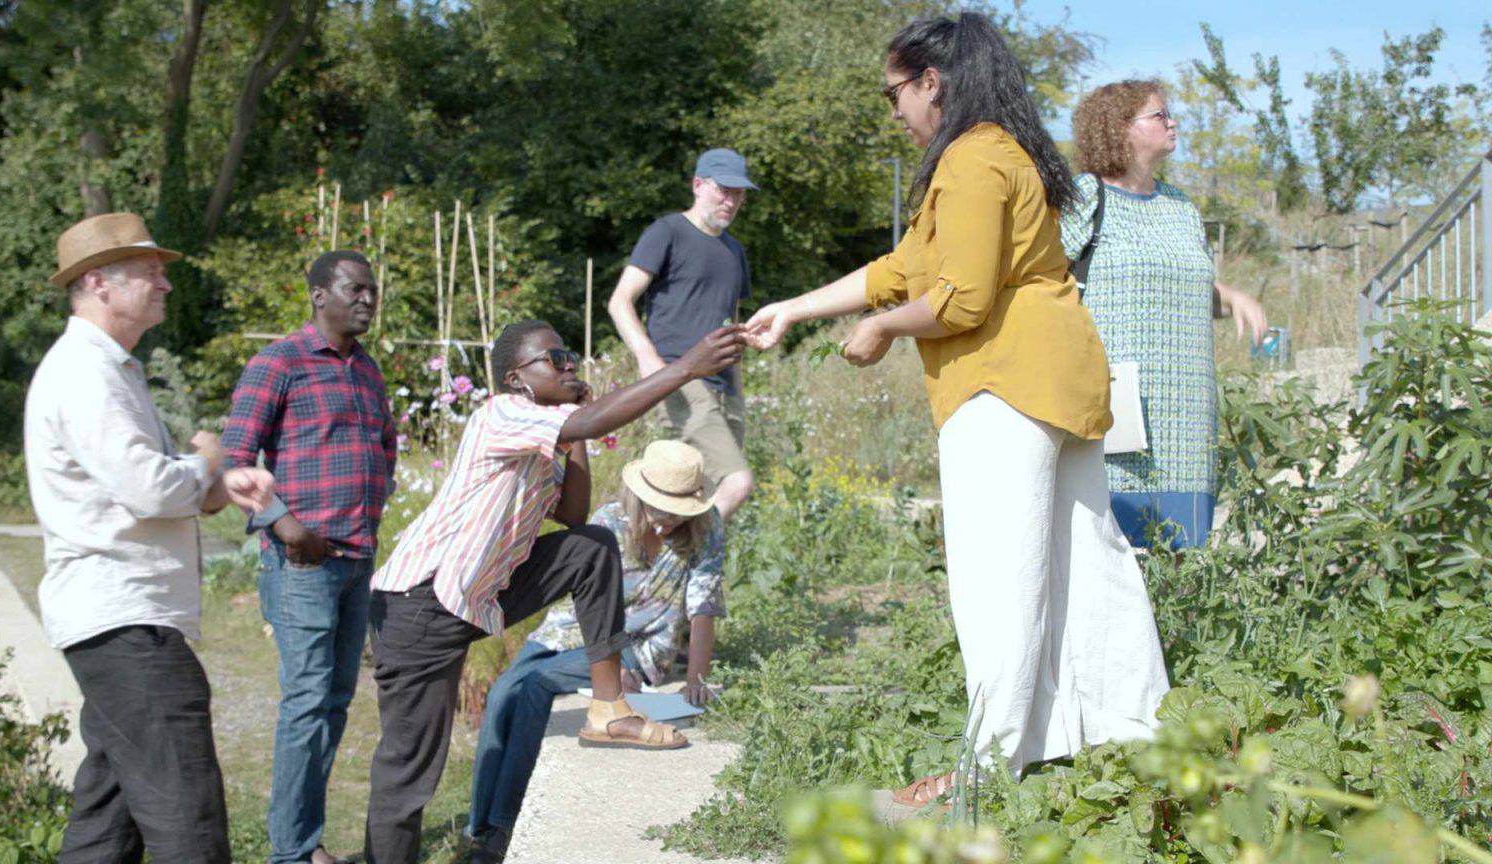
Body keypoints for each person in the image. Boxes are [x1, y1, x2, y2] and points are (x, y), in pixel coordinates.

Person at [746, 13, 1169, 801]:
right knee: (1089, 569)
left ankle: (989, 769)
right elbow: (903, 267)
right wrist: (796, 308)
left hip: (1002, 385)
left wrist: (878, 329)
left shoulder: (972, 160)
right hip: (1057, 379)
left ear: (932, 82)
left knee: (998, 580)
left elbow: (960, 301)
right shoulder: (1000, 153)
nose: (894, 111)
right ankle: (1136, 743)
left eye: (894, 94)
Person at [363, 320, 746, 864]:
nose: (571, 366)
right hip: (420, 607)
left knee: (590, 549)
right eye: (556, 358)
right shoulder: (500, 414)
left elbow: (572, 514)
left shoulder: (543, 438)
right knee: (409, 771)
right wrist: (685, 368)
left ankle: (608, 709)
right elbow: (591, 417)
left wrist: (576, 439)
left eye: (571, 357)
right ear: (518, 378)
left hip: (473, 598)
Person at [24, 212, 275, 863]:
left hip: (118, 623)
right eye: (150, 270)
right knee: (188, 822)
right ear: (99, 281)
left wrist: (220, 484)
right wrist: (209, 461)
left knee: (107, 828)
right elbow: (150, 488)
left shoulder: (108, 369)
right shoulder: (87, 373)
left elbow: (150, 488)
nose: (165, 283)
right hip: (127, 624)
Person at [465, 439, 727, 860]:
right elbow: (587, 603)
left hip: (634, 646)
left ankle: (503, 825)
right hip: (571, 632)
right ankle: (478, 825)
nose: (666, 520)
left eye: (677, 511)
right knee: (501, 693)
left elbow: (704, 603)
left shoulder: (706, 527)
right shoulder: (612, 522)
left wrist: (695, 676)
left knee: (534, 686)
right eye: (658, 508)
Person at [221, 250, 397, 864]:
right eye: (356, 289)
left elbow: (386, 450)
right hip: (302, 565)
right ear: (320, 295)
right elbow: (234, 460)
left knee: (334, 702)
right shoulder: (279, 362)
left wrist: (374, 508)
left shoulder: (368, 371)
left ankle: (302, 841)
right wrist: (287, 526)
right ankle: (291, 854)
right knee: (305, 703)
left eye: (373, 290)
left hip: (356, 560)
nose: (369, 299)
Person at [1061, 80, 1267, 550]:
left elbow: (1184, 288)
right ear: (1118, 129)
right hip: (1117, 396)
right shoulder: (1086, 197)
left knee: (1183, 554)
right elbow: (1040, 277)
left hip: (1188, 412)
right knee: (1115, 554)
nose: (1172, 122)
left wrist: (1231, 297)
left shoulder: (1181, 206)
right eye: (1159, 115)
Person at [608, 148, 758, 519]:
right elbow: (620, 301)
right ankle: (675, 562)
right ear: (697, 185)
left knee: (695, 498)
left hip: (724, 390)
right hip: (679, 377)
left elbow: (731, 324)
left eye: (738, 193)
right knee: (736, 483)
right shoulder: (668, 232)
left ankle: (657, 563)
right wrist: (649, 360)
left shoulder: (734, 251)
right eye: (723, 190)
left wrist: (738, 394)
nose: (731, 200)